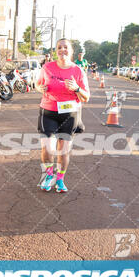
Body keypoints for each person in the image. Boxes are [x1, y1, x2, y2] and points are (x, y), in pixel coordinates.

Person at [36, 38, 90, 193]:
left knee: (64, 150)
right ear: (56, 50)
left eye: (66, 47)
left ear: (71, 51)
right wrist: (42, 88)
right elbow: (38, 85)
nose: (62, 50)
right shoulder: (47, 67)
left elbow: (86, 97)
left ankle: (59, 180)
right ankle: (48, 175)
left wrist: (76, 88)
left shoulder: (78, 71)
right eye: (59, 47)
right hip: (48, 111)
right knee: (47, 148)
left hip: (69, 114)